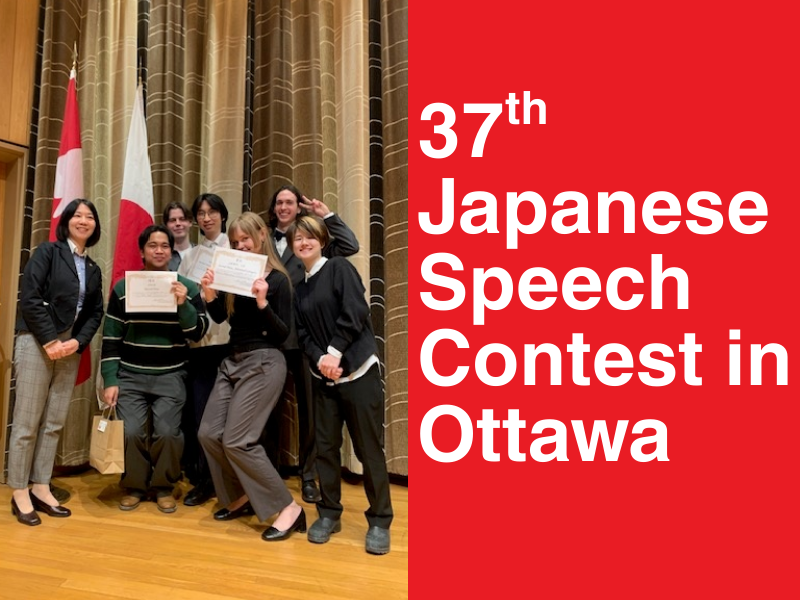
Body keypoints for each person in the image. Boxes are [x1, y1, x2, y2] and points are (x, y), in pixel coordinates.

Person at [198, 212, 305, 542]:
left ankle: (290, 508)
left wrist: (262, 303)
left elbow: (284, 332)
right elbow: (221, 317)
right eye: (235, 241)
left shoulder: (278, 280)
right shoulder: (234, 275)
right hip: (232, 359)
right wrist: (209, 295)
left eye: (245, 238)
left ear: (261, 236)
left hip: (265, 361)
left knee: (238, 440)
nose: (240, 245)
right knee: (209, 433)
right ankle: (240, 496)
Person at [288, 216, 393, 555]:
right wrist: (321, 359)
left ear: (321, 239)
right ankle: (329, 513)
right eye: (297, 239)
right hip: (325, 378)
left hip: (359, 372)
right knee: (326, 450)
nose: (303, 243)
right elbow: (302, 333)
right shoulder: (299, 287)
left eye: (309, 237)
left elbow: (356, 311)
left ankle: (379, 520)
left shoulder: (338, 268)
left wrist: (334, 352)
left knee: (368, 450)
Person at [7, 199, 104, 526]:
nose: (84, 220)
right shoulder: (48, 252)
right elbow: (30, 297)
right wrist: (50, 340)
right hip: (37, 342)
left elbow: (95, 312)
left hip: (70, 349)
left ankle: (41, 486)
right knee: (27, 422)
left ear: (95, 226)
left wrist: (78, 341)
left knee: (54, 423)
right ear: (66, 221)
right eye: (77, 215)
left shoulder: (93, 269)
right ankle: (19, 490)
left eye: (90, 216)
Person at [101, 224, 209, 513]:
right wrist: (110, 379)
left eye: (164, 245)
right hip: (130, 374)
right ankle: (135, 486)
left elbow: (198, 332)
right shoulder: (123, 288)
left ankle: (163, 486)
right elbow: (111, 338)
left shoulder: (187, 285)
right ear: (142, 251)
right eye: (152, 245)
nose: (159, 250)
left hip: (172, 374)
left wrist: (183, 303)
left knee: (168, 432)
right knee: (131, 431)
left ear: (171, 251)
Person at [266, 184, 359, 503]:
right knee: (269, 411)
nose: (283, 207)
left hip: (306, 340)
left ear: (298, 208)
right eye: (278, 202)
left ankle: (308, 476)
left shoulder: (312, 241)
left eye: (289, 202)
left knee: (310, 412)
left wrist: (327, 215)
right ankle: (268, 476)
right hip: (269, 338)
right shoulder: (263, 237)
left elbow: (350, 245)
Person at [177, 193, 231, 507]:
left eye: (212, 212)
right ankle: (202, 478)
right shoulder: (190, 255)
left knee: (219, 419)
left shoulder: (234, 249)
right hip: (195, 344)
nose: (206, 218)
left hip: (225, 343)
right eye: (201, 213)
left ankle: (222, 480)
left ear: (223, 216)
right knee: (197, 416)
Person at [163, 201, 194, 271]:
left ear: (190, 222)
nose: (178, 223)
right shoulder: (161, 257)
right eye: (172, 220)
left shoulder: (201, 254)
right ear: (166, 226)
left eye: (182, 219)